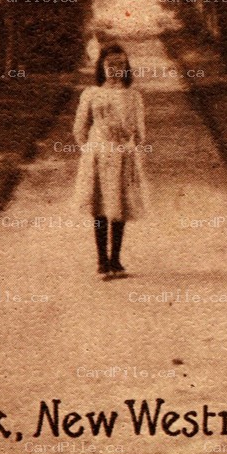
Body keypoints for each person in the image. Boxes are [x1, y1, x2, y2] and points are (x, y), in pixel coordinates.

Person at [70, 43, 150, 278]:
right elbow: (79, 129)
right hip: (98, 156)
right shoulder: (91, 94)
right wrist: (93, 148)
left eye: (121, 65)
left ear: (126, 67)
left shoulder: (133, 96)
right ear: (102, 66)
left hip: (123, 156)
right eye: (111, 65)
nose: (116, 69)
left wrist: (129, 145)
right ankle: (101, 261)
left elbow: (140, 132)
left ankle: (116, 259)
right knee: (100, 208)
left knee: (120, 206)